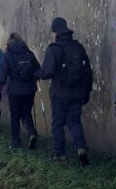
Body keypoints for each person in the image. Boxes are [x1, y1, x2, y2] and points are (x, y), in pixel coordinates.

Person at [38, 17, 92, 166]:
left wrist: (39, 73)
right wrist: (87, 92)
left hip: (59, 94)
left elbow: (47, 72)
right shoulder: (78, 47)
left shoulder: (53, 49)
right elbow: (87, 71)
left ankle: (60, 154)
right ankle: (81, 149)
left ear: (55, 31)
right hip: (77, 94)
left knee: (57, 124)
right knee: (74, 122)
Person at [0, 33, 40, 149]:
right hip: (30, 89)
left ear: (9, 42)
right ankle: (31, 133)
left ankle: (15, 141)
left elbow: (2, 73)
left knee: (15, 115)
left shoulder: (7, 55)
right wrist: (33, 79)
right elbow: (38, 70)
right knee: (26, 112)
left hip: (15, 91)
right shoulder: (29, 54)